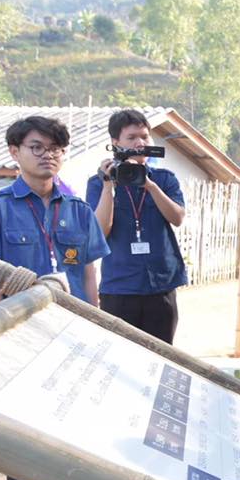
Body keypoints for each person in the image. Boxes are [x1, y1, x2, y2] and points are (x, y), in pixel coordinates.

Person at [0, 116, 109, 480]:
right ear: (15, 152)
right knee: (23, 430)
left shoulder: (78, 210)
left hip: (71, 332)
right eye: (37, 147)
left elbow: (88, 274)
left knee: (64, 422)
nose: (47, 155)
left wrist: (96, 325)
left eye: (55, 148)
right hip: (19, 334)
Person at [86, 109, 187, 345]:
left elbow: (178, 217)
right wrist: (107, 185)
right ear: (115, 143)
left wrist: (148, 184)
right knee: (119, 355)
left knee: (163, 354)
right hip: (120, 287)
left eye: (145, 136)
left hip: (161, 285)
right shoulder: (98, 182)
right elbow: (100, 230)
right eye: (131, 138)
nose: (140, 142)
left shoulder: (164, 179)